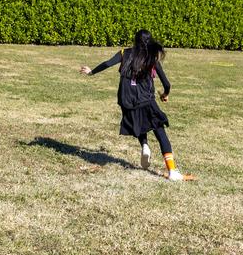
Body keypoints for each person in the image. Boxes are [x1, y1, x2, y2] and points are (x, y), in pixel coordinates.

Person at [79, 29, 184, 181]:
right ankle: (172, 171)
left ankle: (145, 145)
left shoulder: (124, 53)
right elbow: (166, 84)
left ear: (135, 40)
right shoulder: (152, 57)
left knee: (138, 122)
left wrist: (91, 72)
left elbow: (108, 63)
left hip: (126, 97)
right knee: (159, 129)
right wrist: (165, 94)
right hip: (145, 97)